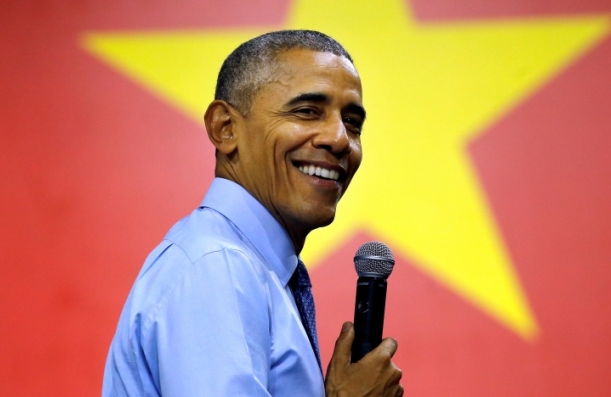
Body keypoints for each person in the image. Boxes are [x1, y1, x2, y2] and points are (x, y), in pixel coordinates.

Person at [102, 30, 404, 397]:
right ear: (225, 128)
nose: (340, 139)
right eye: (308, 112)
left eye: (353, 122)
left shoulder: (249, 268)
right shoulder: (218, 267)